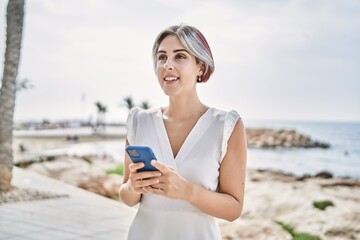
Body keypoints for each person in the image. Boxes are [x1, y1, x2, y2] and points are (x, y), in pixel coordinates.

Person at [119, 24, 247, 240]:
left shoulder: (226, 125)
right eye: (162, 58)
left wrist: (186, 191)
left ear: (200, 66)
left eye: (179, 57)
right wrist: (133, 186)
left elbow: (234, 209)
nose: (167, 65)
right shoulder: (139, 121)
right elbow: (126, 196)